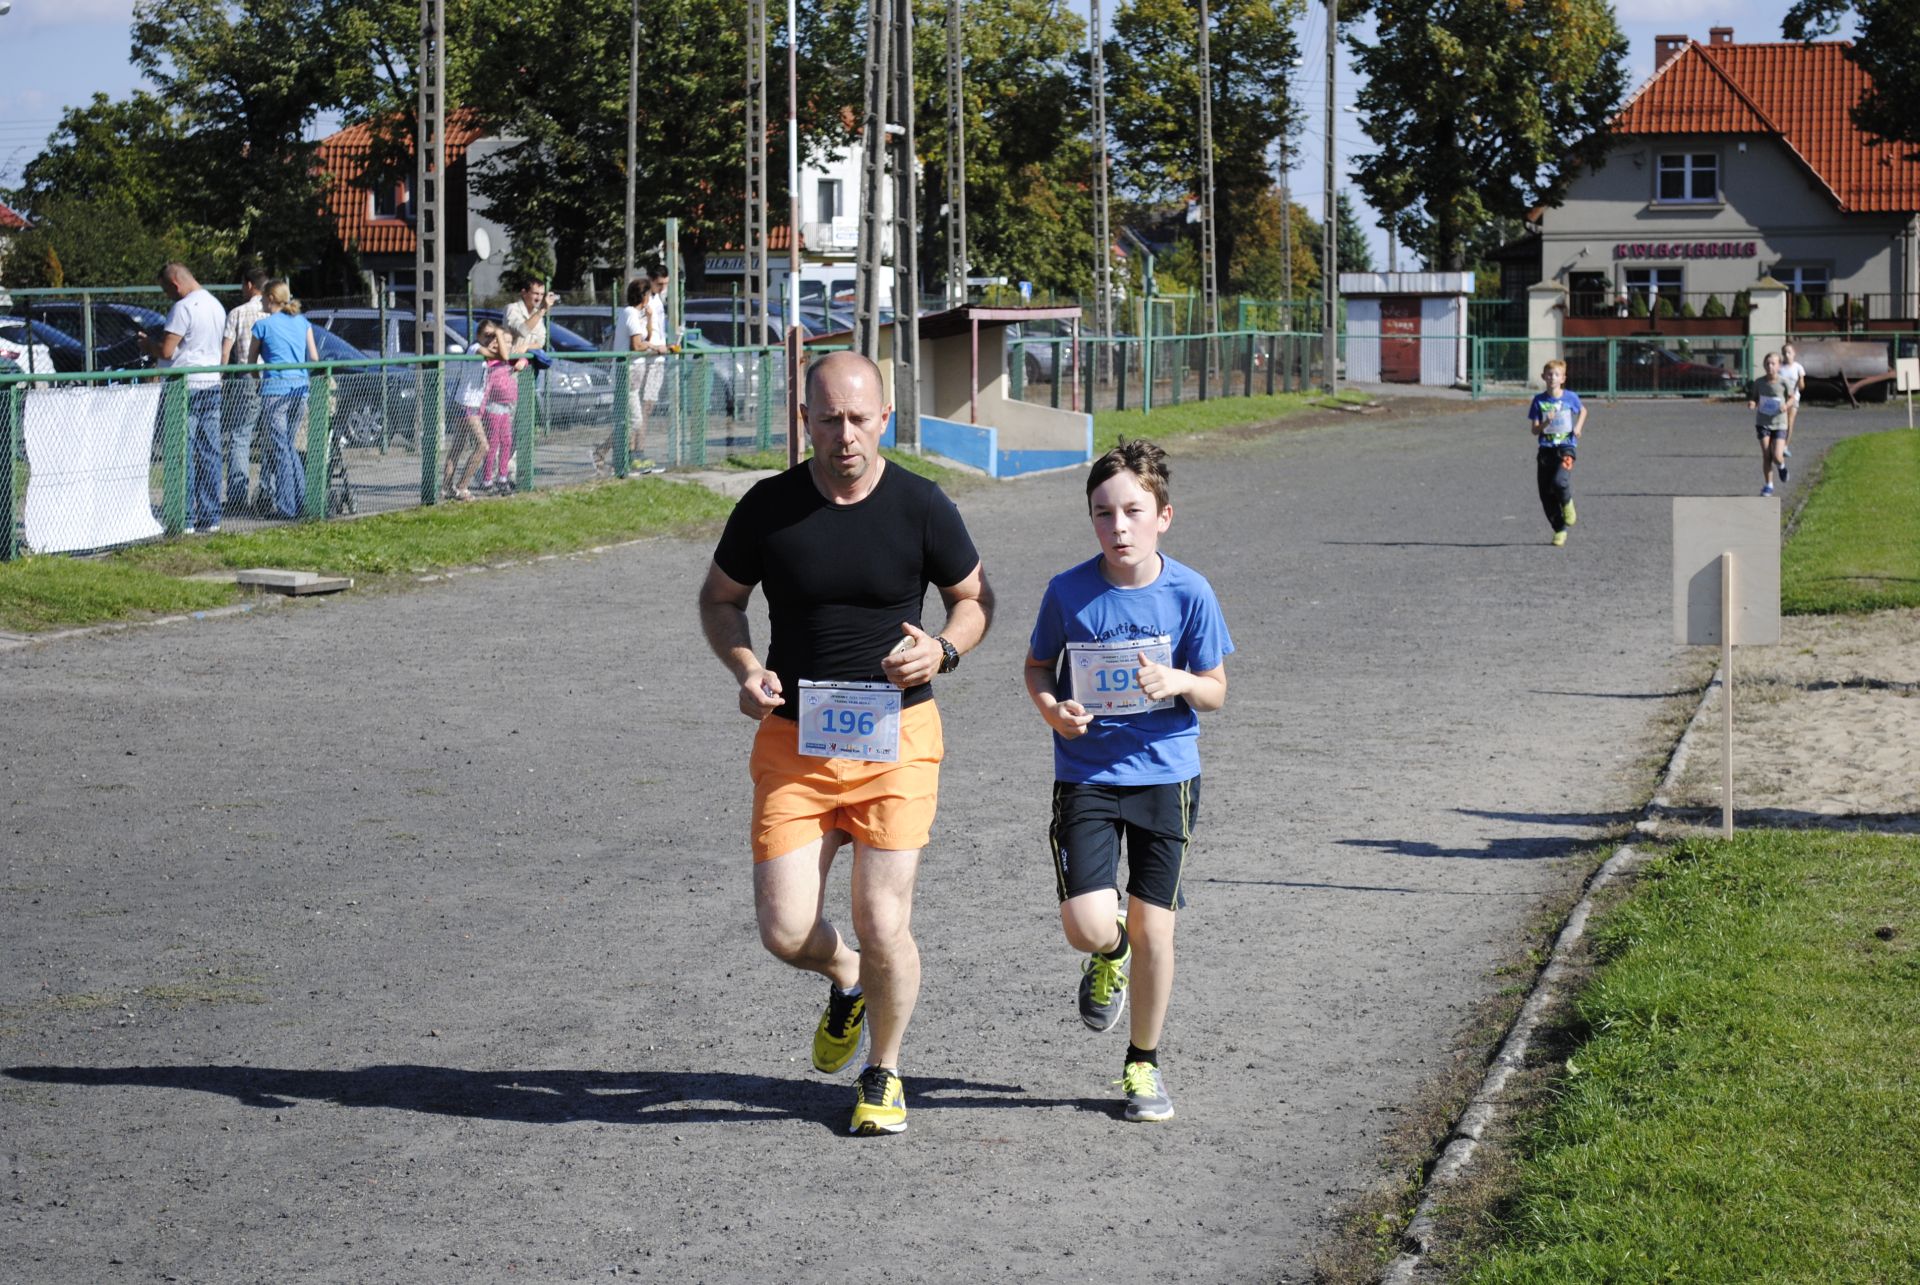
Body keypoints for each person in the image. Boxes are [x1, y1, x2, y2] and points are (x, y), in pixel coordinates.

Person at [697, 350, 993, 1138]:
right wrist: (747, 666)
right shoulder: (768, 507)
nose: (845, 435)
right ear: (805, 421)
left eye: (860, 418)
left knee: (881, 917)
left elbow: (974, 598)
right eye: (828, 419)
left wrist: (943, 649)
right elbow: (720, 599)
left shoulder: (922, 505)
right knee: (785, 929)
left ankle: (884, 1069)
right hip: (794, 740)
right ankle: (849, 976)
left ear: (885, 418)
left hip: (897, 739)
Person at [1023, 439, 1232, 1124]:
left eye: (1133, 511)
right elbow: (1037, 666)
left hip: (1166, 775)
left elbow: (1216, 690)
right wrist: (1052, 709)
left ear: (1163, 516)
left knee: (1156, 929)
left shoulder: (1190, 591)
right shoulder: (1068, 591)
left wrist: (1179, 681)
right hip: (1086, 772)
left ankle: (1144, 1060)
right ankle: (1107, 951)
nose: (1118, 527)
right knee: (1087, 925)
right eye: (1103, 513)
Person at [137, 263, 227, 533]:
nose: (168, 296)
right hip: (211, 383)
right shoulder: (215, 305)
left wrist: (147, 344)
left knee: (181, 451)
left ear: (175, 284)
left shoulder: (183, 307)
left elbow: (166, 351)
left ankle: (183, 517)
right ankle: (211, 517)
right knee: (210, 451)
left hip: (184, 387)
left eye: (167, 290)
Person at [249, 281, 319, 520]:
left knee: (281, 449)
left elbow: (251, 363)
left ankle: (287, 507)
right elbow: (314, 357)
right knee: (288, 447)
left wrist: (258, 381)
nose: (261, 302)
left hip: (274, 391)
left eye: (262, 298)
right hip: (299, 390)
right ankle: (302, 501)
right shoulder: (303, 322)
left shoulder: (262, 326)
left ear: (270, 298)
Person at [592, 276, 665, 476]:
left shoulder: (638, 315)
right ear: (643, 296)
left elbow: (646, 337)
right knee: (634, 420)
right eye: (648, 294)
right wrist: (654, 347)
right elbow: (637, 345)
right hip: (627, 374)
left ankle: (607, 455)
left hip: (635, 377)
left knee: (628, 419)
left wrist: (649, 319)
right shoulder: (630, 313)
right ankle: (612, 456)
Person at [219, 267, 270, 515]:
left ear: (249, 285)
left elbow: (225, 351)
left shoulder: (237, 313)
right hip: (272, 377)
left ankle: (238, 497)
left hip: (246, 376)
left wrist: (220, 377)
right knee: (271, 436)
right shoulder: (274, 313)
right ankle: (268, 493)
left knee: (241, 436)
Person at [1528, 359, 1587, 547]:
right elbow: (1534, 430)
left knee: (1560, 481)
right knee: (1546, 494)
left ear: (1563, 378)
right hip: (1546, 451)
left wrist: (1578, 427)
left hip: (1566, 447)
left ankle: (1567, 503)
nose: (1552, 378)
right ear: (1543, 377)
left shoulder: (1570, 397)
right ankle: (1560, 529)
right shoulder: (1539, 401)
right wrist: (1546, 422)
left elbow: (1583, 411)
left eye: (1556, 375)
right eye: (1549, 374)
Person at [476, 324, 520, 496]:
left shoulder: (509, 358)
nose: (506, 345)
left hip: (505, 408)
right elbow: (487, 385)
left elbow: (528, 354)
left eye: (509, 342)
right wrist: (480, 410)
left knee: (507, 441)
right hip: (492, 407)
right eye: (503, 341)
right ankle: (487, 479)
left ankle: (503, 477)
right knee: (493, 444)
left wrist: (523, 361)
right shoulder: (492, 359)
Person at [1749, 350, 1790, 497]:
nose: (1770, 366)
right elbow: (1754, 397)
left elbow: (1792, 398)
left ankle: (1782, 466)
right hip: (1763, 422)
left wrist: (1786, 405)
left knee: (1777, 456)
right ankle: (1769, 485)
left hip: (1779, 423)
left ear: (1779, 366)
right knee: (1766, 455)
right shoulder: (1759, 382)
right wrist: (1752, 403)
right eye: (1767, 364)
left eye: (1773, 363)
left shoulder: (1784, 382)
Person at [1779, 340, 1806, 458]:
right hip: (1781, 398)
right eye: (1784, 353)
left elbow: (1802, 387)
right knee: (1780, 422)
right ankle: (1777, 444)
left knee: (1790, 422)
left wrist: (1800, 380)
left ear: (1794, 353)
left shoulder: (1798, 367)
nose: (1787, 355)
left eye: (1789, 352)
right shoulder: (1779, 368)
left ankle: (1785, 446)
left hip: (1794, 398)